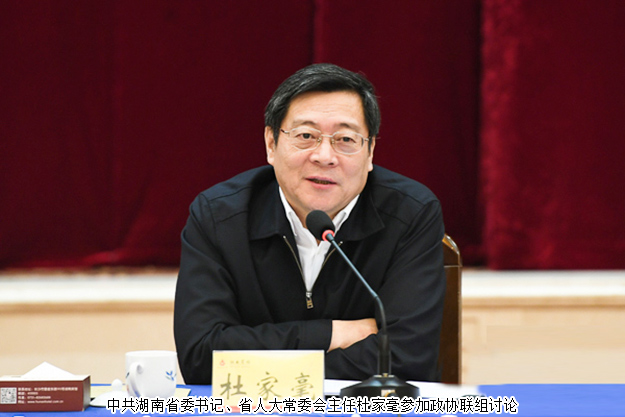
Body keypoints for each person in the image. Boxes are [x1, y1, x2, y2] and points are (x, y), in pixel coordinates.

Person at [174, 63, 446, 384]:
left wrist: (260, 365)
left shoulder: (410, 213)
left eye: (345, 139)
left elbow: (407, 359)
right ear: (271, 144)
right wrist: (330, 334)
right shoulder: (219, 217)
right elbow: (201, 358)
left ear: (371, 151)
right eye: (306, 136)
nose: (325, 156)